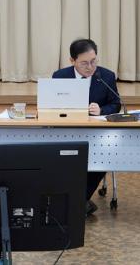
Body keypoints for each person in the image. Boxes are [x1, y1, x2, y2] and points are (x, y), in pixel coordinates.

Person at [52, 38, 121, 216]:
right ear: (72, 61)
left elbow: (116, 104)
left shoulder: (106, 76)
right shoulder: (60, 76)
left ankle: (78, 200)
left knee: (102, 158)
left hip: (97, 135)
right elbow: (50, 105)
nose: (90, 67)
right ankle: (77, 202)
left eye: (93, 61)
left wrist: (102, 110)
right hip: (67, 132)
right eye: (84, 63)